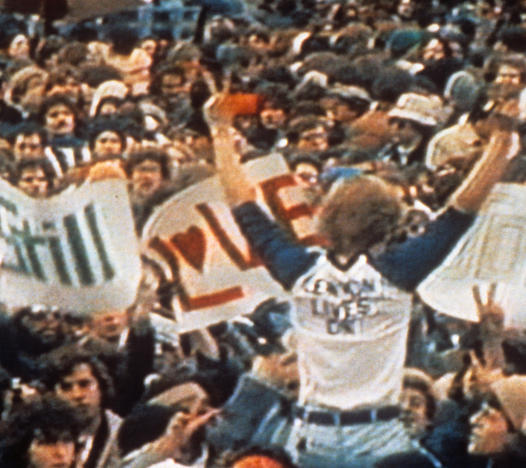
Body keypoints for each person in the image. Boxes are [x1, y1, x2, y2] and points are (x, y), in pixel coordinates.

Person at [205, 93, 520, 467]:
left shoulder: (299, 269)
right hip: (379, 435)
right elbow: (461, 210)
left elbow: (244, 207)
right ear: (388, 221)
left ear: (326, 216)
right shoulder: (400, 269)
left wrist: (220, 132)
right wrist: (501, 140)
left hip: (311, 434)